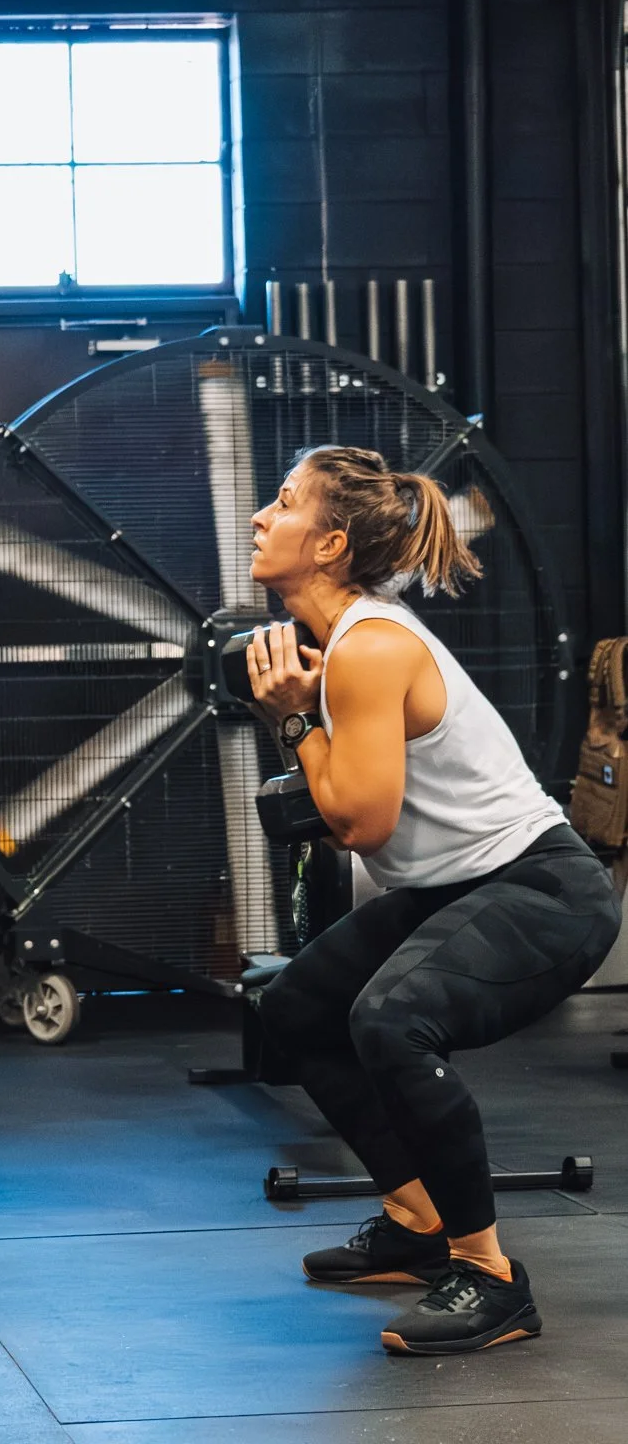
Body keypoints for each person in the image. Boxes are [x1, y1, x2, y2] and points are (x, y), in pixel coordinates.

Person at [247, 445, 620, 1358]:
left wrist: (294, 722)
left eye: (283, 503)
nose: (259, 516)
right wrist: (305, 721)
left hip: (542, 887)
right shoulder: (346, 645)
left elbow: (359, 825)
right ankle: (415, 1222)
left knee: (391, 1018)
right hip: (457, 884)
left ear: (330, 544)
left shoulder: (367, 649)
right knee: (296, 1012)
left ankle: (490, 1276)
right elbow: (351, 819)